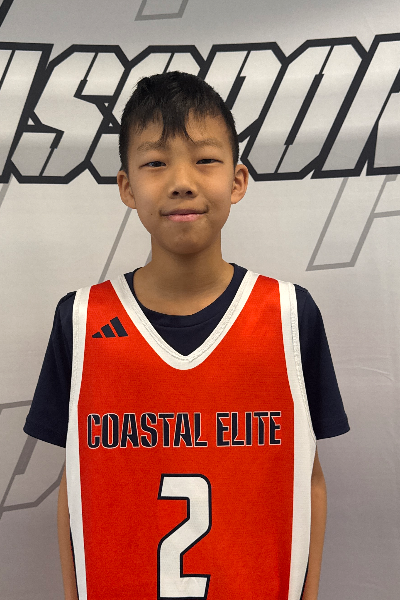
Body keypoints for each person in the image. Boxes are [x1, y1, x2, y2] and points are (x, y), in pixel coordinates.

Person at [23, 71, 349, 600]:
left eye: (205, 159)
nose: (181, 180)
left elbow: (306, 477)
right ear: (126, 187)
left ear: (237, 181)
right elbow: (76, 485)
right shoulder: (81, 320)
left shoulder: (290, 315)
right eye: (155, 163)